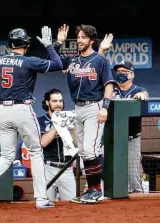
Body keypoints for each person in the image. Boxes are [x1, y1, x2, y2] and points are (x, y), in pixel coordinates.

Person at [0, 26, 63, 209]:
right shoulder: (28, 61)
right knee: (36, 151)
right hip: (22, 108)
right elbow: (58, 64)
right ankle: (41, 199)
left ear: (10, 44)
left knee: (7, 155)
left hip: (1, 110)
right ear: (26, 44)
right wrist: (50, 45)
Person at [54, 24, 115, 203]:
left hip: (94, 107)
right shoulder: (73, 60)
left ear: (91, 40)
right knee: (83, 151)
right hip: (78, 108)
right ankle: (91, 190)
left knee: (90, 150)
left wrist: (105, 107)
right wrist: (58, 43)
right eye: (78, 37)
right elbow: (54, 60)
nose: (79, 40)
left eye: (83, 37)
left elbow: (109, 85)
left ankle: (96, 190)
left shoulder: (100, 60)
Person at [112, 60, 148, 193]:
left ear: (131, 74)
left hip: (132, 138)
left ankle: (138, 199)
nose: (120, 74)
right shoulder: (112, 89)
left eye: (124, 71)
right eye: (118, 71)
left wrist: (141, 96)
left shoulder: (137, 90)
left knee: (133, 174)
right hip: (114, 139)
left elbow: (145, 94)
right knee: (116, 174)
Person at [37, 88, 77, 201]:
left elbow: (76, 143)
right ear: (47, 102)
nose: (58, 104)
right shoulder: (40, 120)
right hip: (48, 168)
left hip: (67, 168)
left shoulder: (69, 119)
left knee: (71, 205)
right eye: (54, 101)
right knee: (46, 205)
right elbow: (43, 142)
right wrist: (58, 124)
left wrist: (73, 128)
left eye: (60, 101)